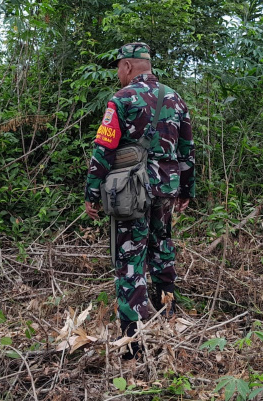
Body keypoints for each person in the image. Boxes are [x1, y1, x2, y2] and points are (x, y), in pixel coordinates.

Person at [85, 42, 195, 359]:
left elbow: (103, 150)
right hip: (166, 190)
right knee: (162, 251)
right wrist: (187, 189)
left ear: (129, 67)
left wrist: (92, 192)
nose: (118, 74)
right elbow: (186, 151)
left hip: (131, 192)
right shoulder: (175, 99)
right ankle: (169, 321)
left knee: (130, 262)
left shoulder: (121, 100)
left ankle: (135, 343)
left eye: (119, 67)